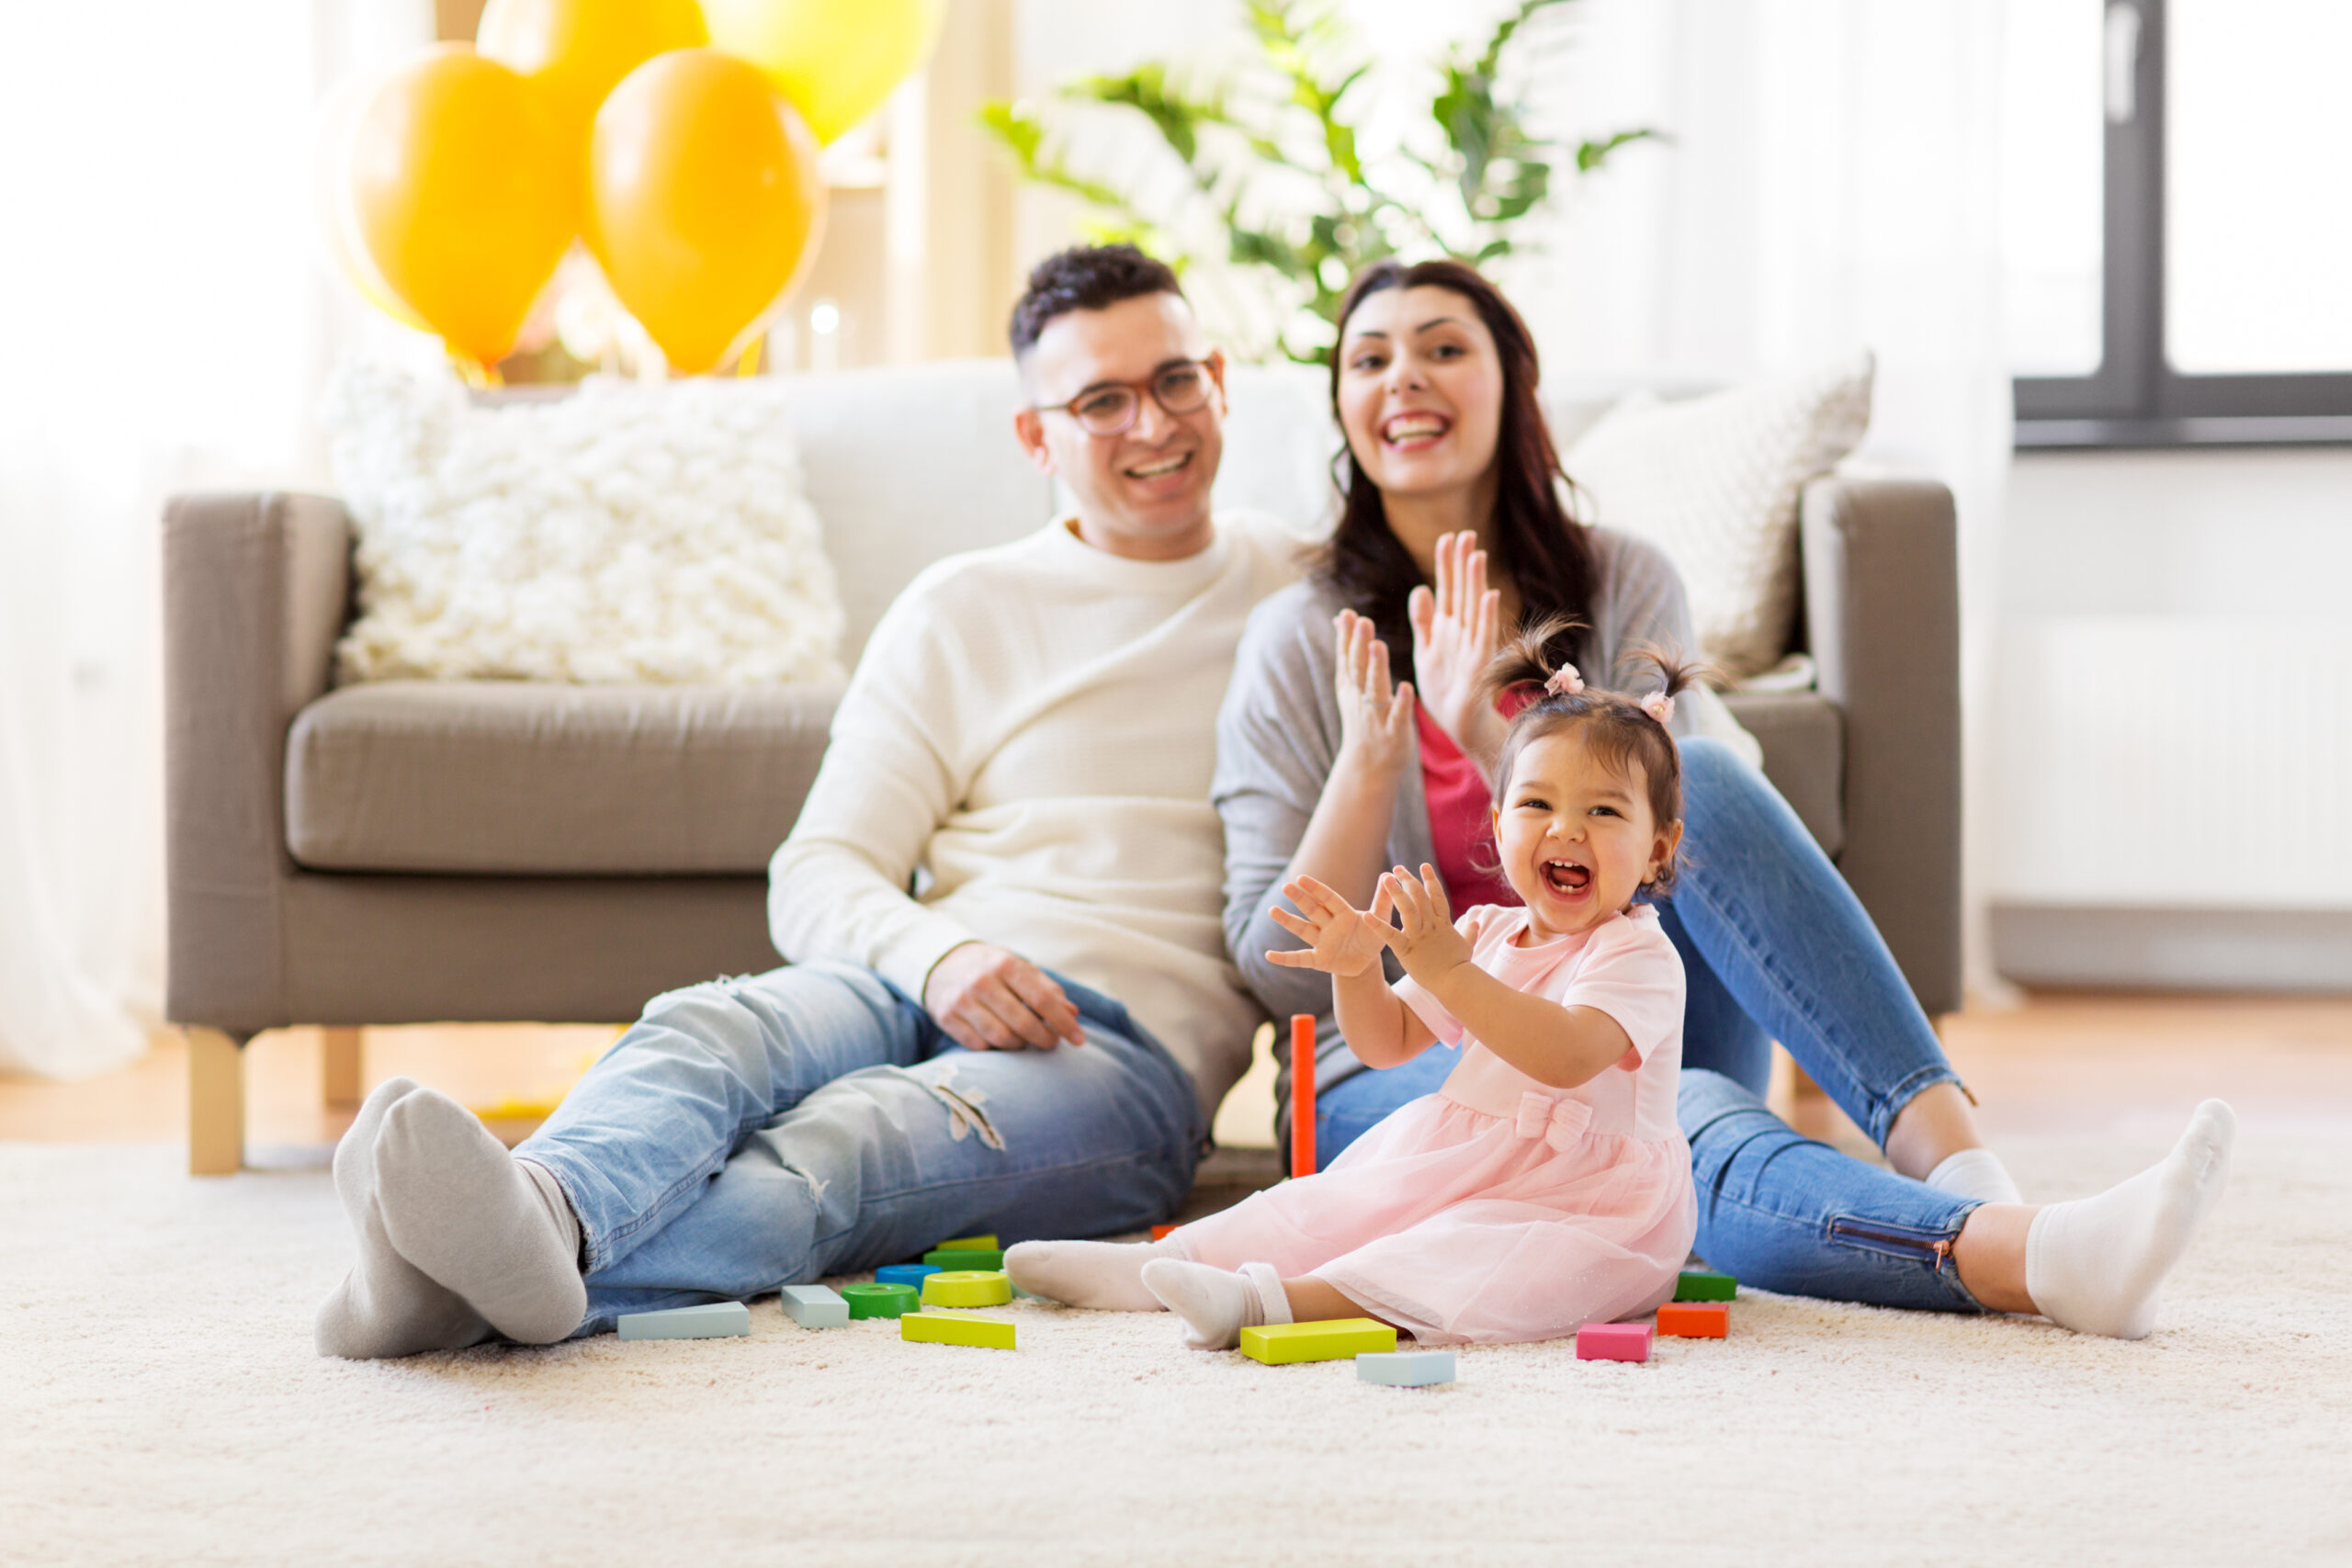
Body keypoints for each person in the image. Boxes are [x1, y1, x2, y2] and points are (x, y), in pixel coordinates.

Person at [1204, 256, 2232, 1340]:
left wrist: (1482, 736)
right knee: (1686, 1122)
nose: (1404, 378)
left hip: (1630, 1009)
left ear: (1513, 385)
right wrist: (1375, 759)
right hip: (1411, 1076)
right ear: (1342, 409)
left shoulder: (1621, 580)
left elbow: (1669, 846)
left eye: (1443, 349)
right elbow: (1268, 967)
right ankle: (2033, 1257)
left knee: (1708, 781)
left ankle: (1973, 1172)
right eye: (1370, 359)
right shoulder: (1295, 638)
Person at [313, 244, 1305, 1357]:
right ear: (1037, 436)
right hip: (919, 973)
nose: (1153, 424)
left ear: (1218, 378)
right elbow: (821, 866)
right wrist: (942, 959)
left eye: (1176, 380)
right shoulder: (962, 608)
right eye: (1101, 401)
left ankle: (449, 1292)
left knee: (843, 1145)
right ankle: (542, 1209)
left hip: (1121, 1059)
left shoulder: (1305, 592)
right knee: (713, 1026)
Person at [1014, 637, 1705, 1348]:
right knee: (1325, 1204)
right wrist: (1356, 970)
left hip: (1593, 1210)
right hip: (1467, 1160)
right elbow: (1385, 1044)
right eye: (1538, 803)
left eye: (1604, 812)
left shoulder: (1638, 954)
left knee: (1462, 1251)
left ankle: (1261, 1303)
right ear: (1499, 826)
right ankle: (1155, 1266)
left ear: (1658, 845)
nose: (1566, 828)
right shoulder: (1482, 934)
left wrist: (1451, 974)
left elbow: (1565, 1055)